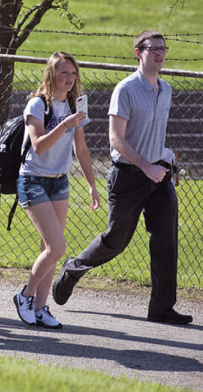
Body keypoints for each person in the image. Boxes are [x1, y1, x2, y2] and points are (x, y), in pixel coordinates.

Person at [53, 31, 193, 325]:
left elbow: (150, 134)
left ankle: (161, 308)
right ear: (137, 53)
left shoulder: (165, 89)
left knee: (166, 241)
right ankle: (73, 269)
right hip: (128, 177)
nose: (159, 53)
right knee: (115, 242)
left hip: (159, 174)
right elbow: (116, 140)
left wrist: (164, 155)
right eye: (152, 48)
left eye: (162, 49)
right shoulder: (126, 90)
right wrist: (146, 166)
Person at [12, 53, 100, 329]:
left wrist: (91, 184)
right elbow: (38, 146)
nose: (69, 78)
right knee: (57, 247)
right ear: (51, 74)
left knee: (48, 249)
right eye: (64, 73)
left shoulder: (75, 104)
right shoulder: (38, 105)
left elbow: (81, 148)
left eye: (73, 73)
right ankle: (24, 296)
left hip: (59, 182)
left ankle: (40, 308)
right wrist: (65, 124)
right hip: (33, 180)